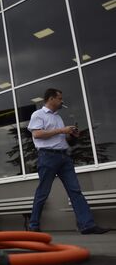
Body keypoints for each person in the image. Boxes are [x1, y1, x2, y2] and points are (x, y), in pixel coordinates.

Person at [27, 88, 109, 234]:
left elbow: (62, 137)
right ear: (51, 99)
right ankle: (33, 226)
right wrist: (61, 131)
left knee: (75, 191)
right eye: (59, 98)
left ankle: (87, 225)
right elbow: (37, 134)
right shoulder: (38, 114)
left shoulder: (58, 117)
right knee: (43, 192)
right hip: (47, 157)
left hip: (64, 157)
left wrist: (71, 135)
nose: (61, 101)